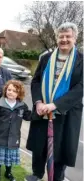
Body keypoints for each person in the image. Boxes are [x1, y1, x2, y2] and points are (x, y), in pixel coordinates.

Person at [25, 22, 83, 181]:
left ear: (75, 38)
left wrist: (55, 105)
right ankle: (36, 174)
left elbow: (81, 87)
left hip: (66, 113)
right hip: (42, 109)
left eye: (68, 36)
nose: (64, 39)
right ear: (56, 38)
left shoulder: (81, 60)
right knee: (39, 146)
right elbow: (35, 81)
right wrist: (38, 102)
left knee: (60, 150)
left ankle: (57, 178)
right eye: (61, 36)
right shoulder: (46, 58)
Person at [0, 80, 31, 181]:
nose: (11, 92)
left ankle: (8, 172)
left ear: (19, 94)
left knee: (9, 157)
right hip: (0, 136)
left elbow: (28, 116)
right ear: (5, 90)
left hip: (14, 137)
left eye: (14, 91)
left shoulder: (22, 106)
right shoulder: (0, 105)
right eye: (9, 89)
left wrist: (40, 112)